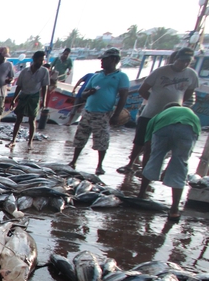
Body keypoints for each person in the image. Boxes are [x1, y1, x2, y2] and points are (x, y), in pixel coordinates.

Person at [118, 47, 198, 175]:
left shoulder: (191, 75)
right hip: (150, 113)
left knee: (158, 144)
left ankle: (148, 170)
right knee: (140, 141)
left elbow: (188, 93)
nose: (184, 63)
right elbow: (142, 90)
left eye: (187, 61)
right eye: (182, 60)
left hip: (171, 117)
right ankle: (130, 164)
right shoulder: (161, 71)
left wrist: (177, 106)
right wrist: (154, 101)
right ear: (176, 58)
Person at [69, 47, 129, 175]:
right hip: (88, 111)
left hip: (103, 113)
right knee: (80, 137)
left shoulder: (121, 76)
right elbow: (83, 94)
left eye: (105, 59)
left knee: (101, 140)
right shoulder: (96, 76)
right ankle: (73, 161)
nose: (102, 61)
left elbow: (123, 97)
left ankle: (99, 166)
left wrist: (116, 115)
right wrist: (89, 92)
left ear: (113, 60)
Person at [137, 104, 200, 222]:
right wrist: (167, 169)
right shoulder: (192, 115)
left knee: (155, 159)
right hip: (188, 127)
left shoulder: (158, 116)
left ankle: (140, 195)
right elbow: (187, 153)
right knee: (180, 164)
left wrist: (145, 168)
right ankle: (174, 210)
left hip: (162, 128)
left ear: (165, 110)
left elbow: (148, 147)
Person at [8, 50, 49, 148]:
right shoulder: (25, 71)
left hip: (34, 97)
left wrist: (44, 101)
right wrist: (14, 99)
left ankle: (30, 142)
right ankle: (13, 140)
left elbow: (45, 87)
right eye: (39, 60)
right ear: (34, 59)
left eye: (42, 60)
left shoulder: (44, 71)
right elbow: (19, 86)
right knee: (19, 119)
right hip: (24, 95)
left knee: (32, 119)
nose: (41, 62)